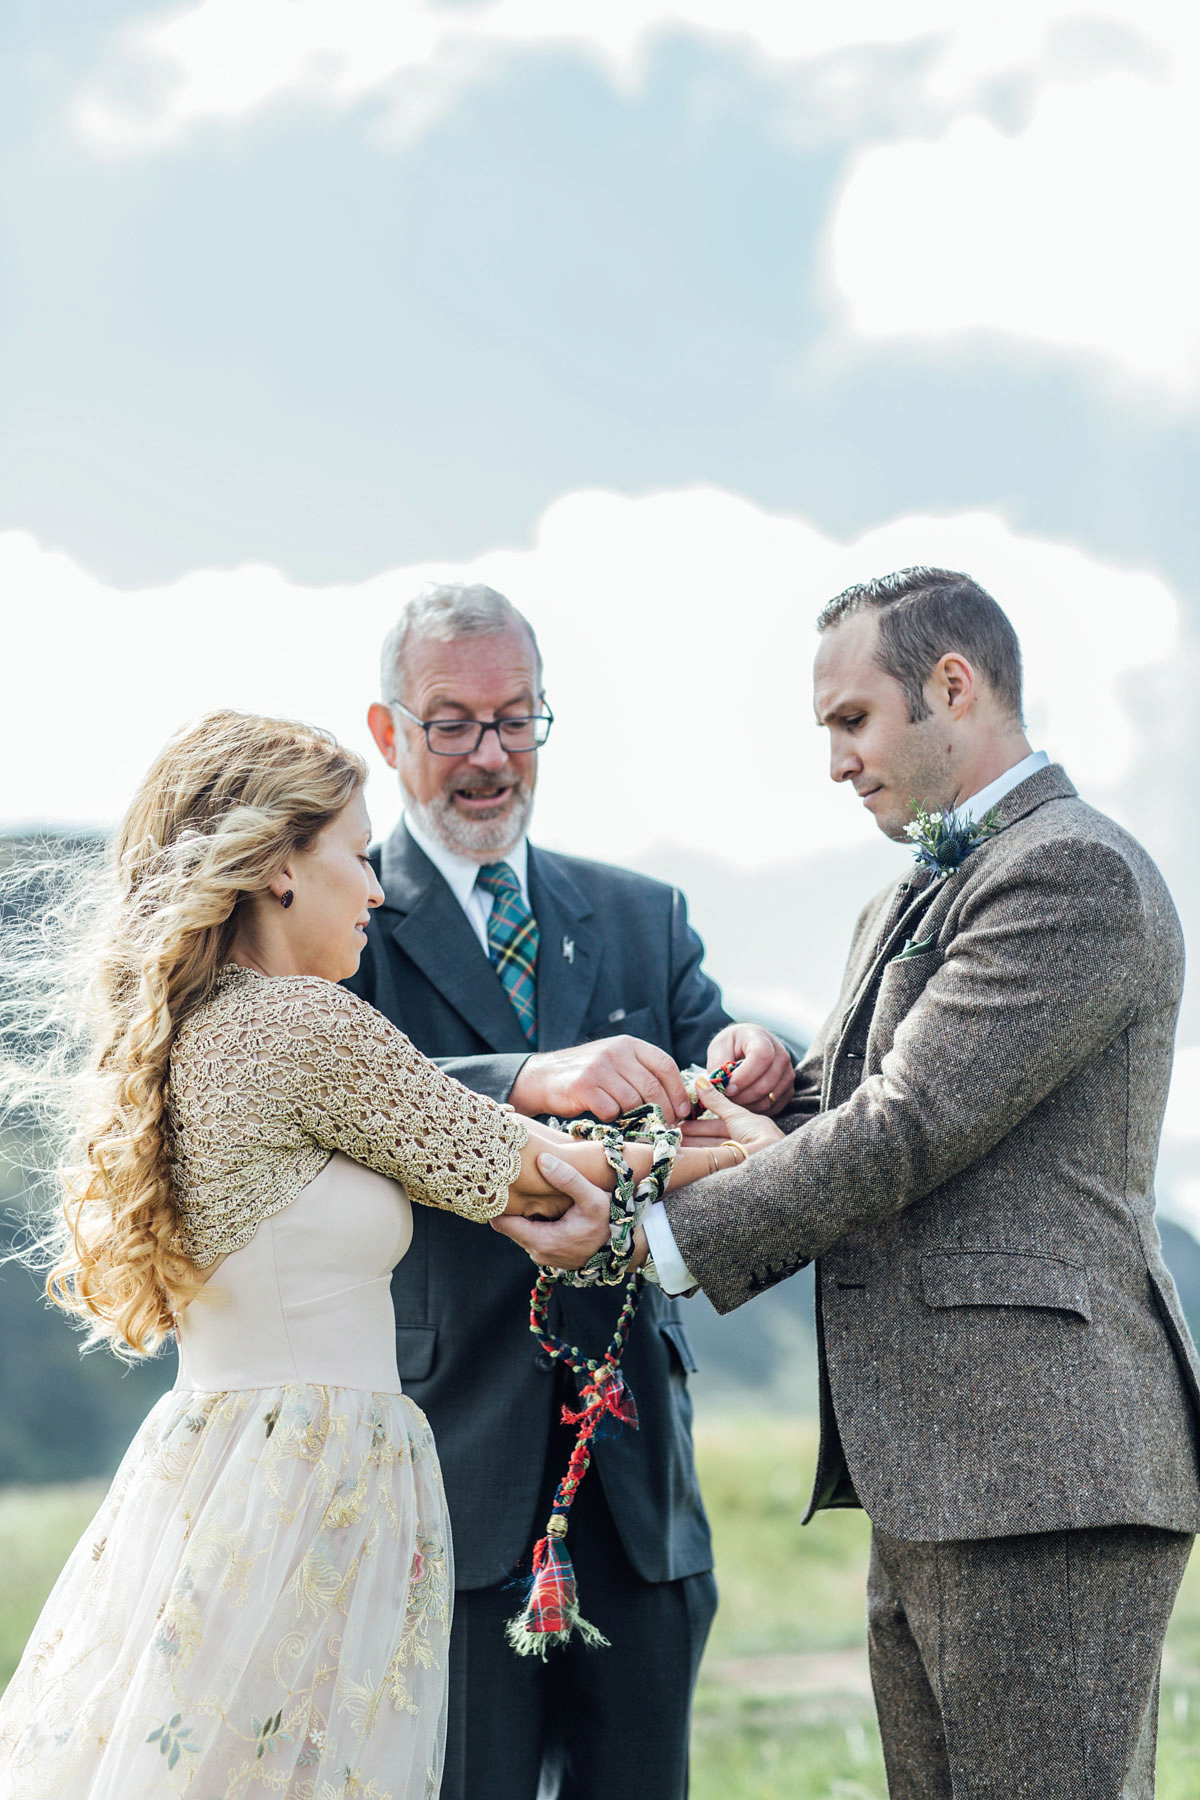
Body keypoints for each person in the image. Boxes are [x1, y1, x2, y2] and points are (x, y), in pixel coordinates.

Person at [506, 567, 1200, 1800]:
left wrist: (656, 1239)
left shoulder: (1074, 872)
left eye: (853, 720)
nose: (836, 761)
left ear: (953, 685)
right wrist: (768, 1081)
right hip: (944, 1465)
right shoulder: (911, 890)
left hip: (1047, 1465)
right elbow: (858, 1104)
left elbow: (912, 1122)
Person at [0, 709, 779, 1799]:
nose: (374, 889)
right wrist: (749, 1148)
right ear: (278, 868)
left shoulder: (207, 1024)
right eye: (358, 858)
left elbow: (483, 1170)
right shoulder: (304, 1027)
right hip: (306, 1483)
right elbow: (547, 1172)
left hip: (228, 1469)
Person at [347, 582, 795, 1800]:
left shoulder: (645, 917)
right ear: (388, 735)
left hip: (639, 1483)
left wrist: (746, 1051)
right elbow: (336, 1085)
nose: (490, 757)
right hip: (450, 1460)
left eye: (516, 720)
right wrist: (531, 1076)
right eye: (451, 725)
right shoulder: (338, 911)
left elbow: (721, 1086)